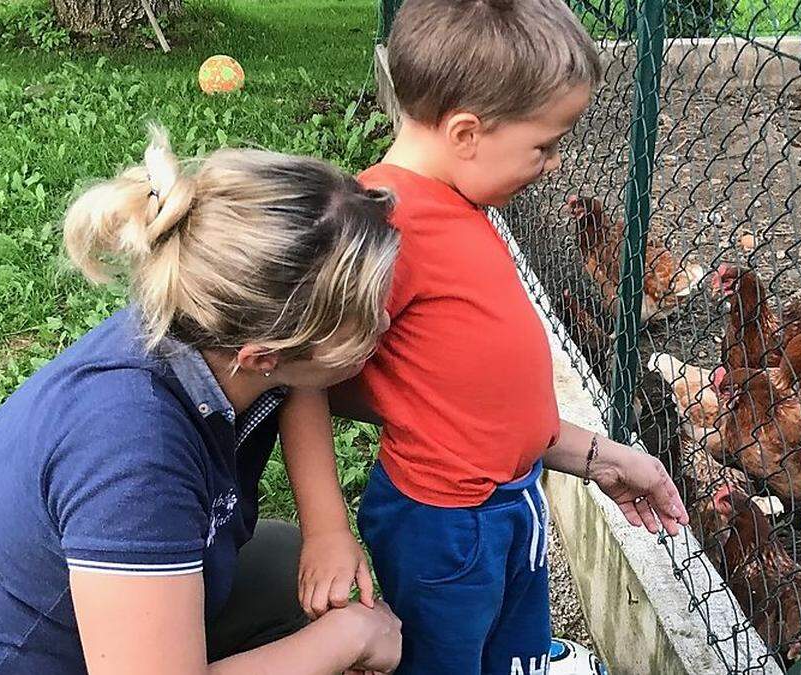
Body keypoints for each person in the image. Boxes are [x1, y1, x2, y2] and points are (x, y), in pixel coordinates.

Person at [0, 128, 403, 675]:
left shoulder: (204, 324)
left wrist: (328, 529)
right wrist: (351, 637)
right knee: (314, 618)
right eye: (368, 320)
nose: (385, 324)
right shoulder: (133, 459)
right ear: (264, 354)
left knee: (282, 561)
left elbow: (300, 383)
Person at [286, 1, 693, 673]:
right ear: (467, 133)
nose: (555, 164)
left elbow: (476, 395)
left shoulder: (462, 202)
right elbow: (302, 376)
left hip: (511, 498)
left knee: (511, 649)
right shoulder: (385, 231)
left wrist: (604, 457)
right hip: (442, 524)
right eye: (544, 145)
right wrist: (327, 529)